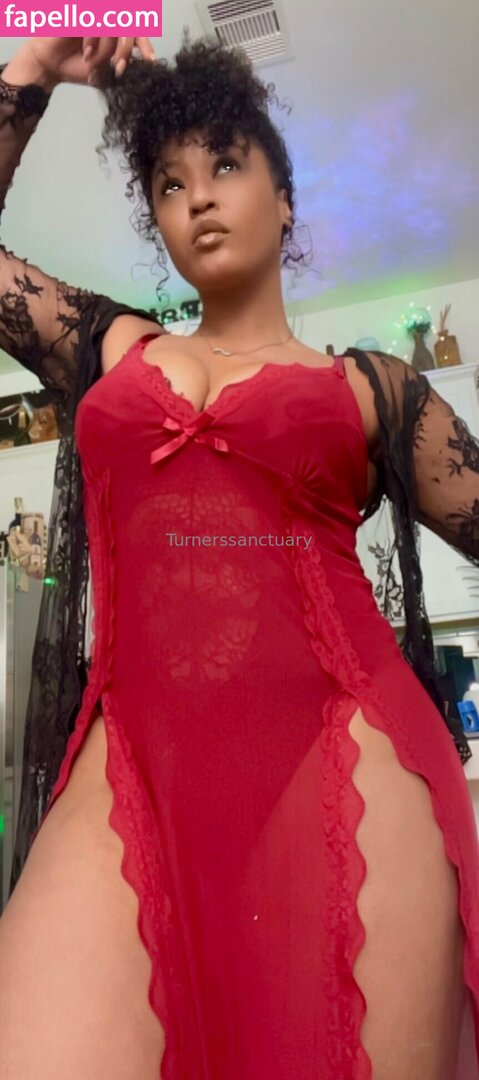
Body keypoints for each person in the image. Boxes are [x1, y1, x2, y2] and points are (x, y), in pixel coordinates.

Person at [0, 31, 478, 1080]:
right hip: (131, 764)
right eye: (169, 184)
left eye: (224, 163)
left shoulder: (370, 386)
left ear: (285, 198)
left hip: (347, 746)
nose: (198, 198)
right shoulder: (113, 346)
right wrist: (30, 73)